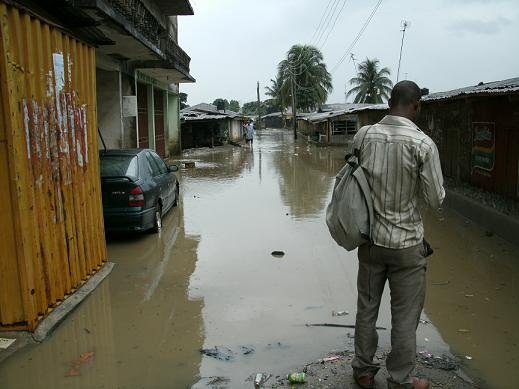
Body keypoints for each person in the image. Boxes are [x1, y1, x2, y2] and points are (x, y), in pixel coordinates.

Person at [351, 81, 445, 389]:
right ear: (416, 106)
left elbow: (352, 183)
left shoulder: (363, 136)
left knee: (367, 308)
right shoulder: (423, 144)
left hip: (369, 241)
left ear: (389, 102)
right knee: (405, 318)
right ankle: (401, 380)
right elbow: (434, 199)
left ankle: (364, 372)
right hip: (407, 246)